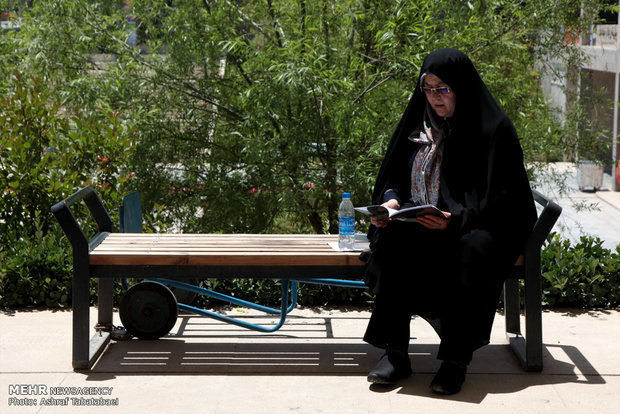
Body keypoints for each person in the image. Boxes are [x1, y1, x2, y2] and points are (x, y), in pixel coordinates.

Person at [361, 48, 537, 395]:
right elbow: (392, 176)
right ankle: (395, 353)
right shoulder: (418, 124)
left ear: (462, 87)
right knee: (393, 240)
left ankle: (455, 361)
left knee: (472, 251)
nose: (435, 97)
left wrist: (455, 220)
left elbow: (505, 201)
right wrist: (391, 200)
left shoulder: (493, 129)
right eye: (427, 89)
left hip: (479, 225)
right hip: (424, 219)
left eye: (443, 89)